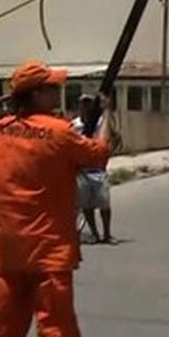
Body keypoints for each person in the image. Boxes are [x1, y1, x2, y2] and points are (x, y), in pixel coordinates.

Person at [0, 60, 112, 337]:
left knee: (7, 321)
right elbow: (99, 156)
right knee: (54, 320)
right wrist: (105, 117)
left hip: (8, 246)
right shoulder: (58, 131)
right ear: (36, 94)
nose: (57, 92)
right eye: (51, 88)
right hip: (48, 245)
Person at [71, 93, 113, 244]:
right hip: (82, 170)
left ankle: (107, 233)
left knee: (104, 203)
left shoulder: (101, 123)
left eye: (89, 104)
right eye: (83, 104)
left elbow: (108, 140)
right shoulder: (74, 125)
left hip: (98, 169)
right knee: (87, 205)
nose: (86, 107)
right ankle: (95, 233)